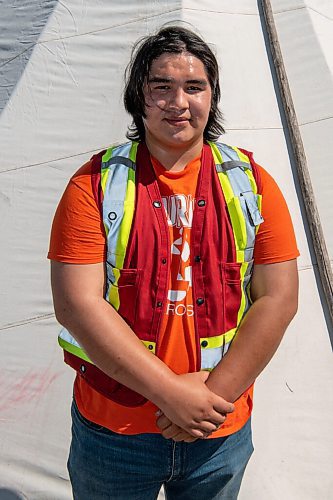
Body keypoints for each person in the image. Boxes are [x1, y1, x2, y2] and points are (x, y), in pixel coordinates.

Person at [48, 26, 299, 500]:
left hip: (217, 430)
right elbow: (77, 305)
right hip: (114, 430)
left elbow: (279, 299)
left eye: (194, 87)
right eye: (160, 87)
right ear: (136, 98)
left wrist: (209, 401)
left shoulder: (253, 183)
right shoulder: (92, 186)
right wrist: (173, 395)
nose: (177, 101)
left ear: (212, 96)